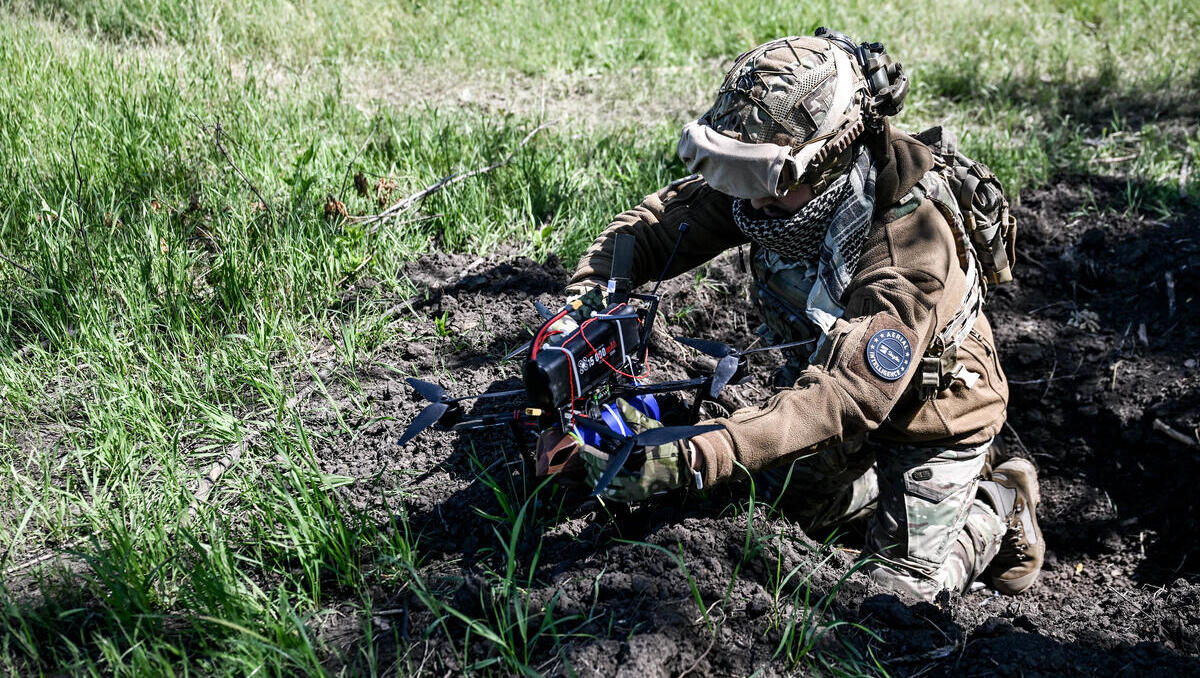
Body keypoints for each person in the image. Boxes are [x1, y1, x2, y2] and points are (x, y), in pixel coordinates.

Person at [565, 30, 1044, 601]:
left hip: (931, 419)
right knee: (771, 516)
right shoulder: (773, 191)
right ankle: (878, 492)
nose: (748, 199)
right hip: (830, 388)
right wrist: (586, 302)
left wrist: (701, 453)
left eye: (763, 179)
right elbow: (651, 231)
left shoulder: (908, 246)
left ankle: (1002, 504)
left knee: (894, 600)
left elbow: (842, 399)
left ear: (831, 158)